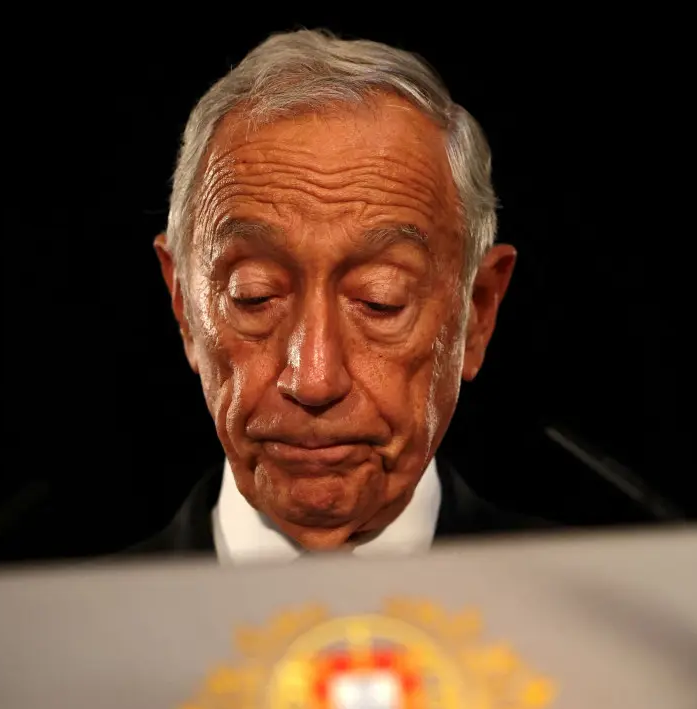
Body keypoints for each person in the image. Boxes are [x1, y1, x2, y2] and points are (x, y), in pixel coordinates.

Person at [127, 29, 551, 564]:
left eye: (380, 301)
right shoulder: (64, 639)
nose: (314, 379)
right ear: (185, 304)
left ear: (477, 311)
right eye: (254, 296)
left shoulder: (599, 637)